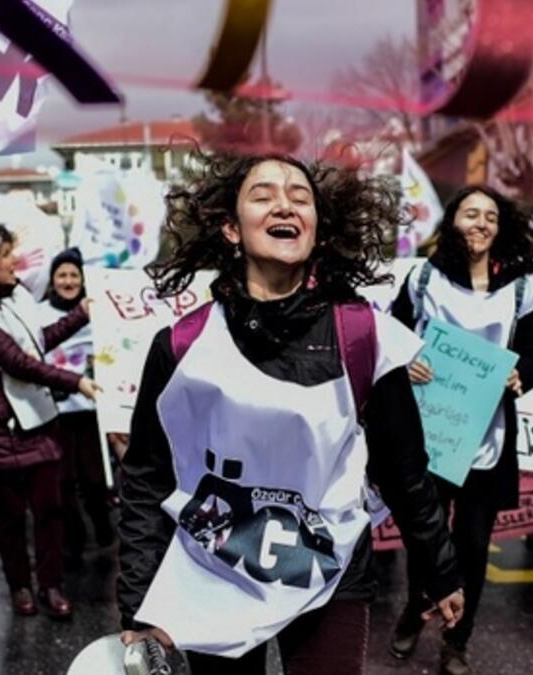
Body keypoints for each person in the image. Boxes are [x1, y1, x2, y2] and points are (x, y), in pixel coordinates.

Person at [117, 153, 463, 675]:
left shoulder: (366, 337)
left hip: (330, 570)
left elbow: (404, 470)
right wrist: (139, 603)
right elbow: (146, 476)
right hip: (215, 573)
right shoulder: (183, 347)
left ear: (318, 230)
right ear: (232, 229)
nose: (285, 204)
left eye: (300, 197)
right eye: (263, 195)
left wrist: (439, 570)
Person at [388, 185, 533, 675]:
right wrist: (405, 362)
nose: (480, 223)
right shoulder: (423, 281)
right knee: (425, 538)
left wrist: (525, 375)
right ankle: (417, 607)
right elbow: (392, 339)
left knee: (474, 546)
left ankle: (457, 640)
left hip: (487, 438)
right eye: (470, 213)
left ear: (503, 228)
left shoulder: (521, 287)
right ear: (452, 221)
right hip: (431, 436)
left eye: (491, 217)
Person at [0, 221, 98, 620]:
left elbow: (39, 343)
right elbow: (16, 361)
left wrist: (80, 315)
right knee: (10, 516)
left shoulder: (19, 297)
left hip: (38, 420)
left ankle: (52, 585)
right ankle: (20, 585)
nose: (15, 261)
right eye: (6, 254)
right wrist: (76, 381)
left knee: (50, 510)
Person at [38, 248, 115, 566]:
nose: (68, 281)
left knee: (95, 480)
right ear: (52, 280)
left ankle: (103, 525)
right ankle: (73, 540)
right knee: (63, 482)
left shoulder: (99, 309)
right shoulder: (39, 312)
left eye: (74, 275)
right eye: (62, 275)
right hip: (55, 410)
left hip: (91, 407)